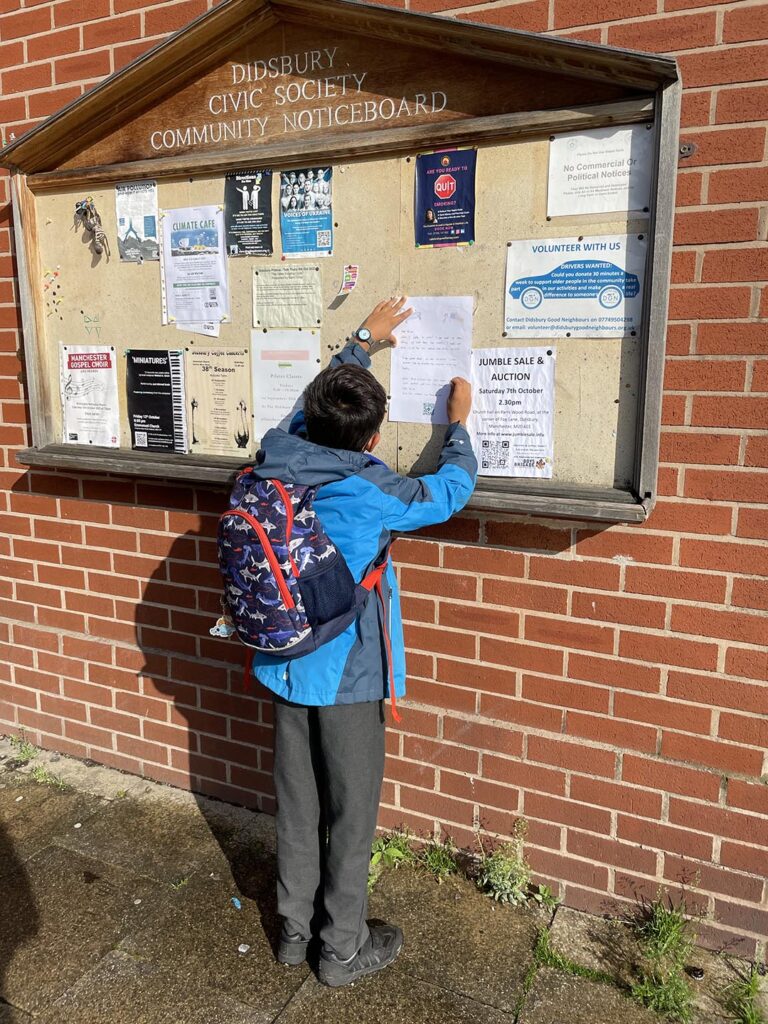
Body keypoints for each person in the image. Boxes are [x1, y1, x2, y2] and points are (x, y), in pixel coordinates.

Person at [250, 297, 477, 988]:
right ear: (374, 440)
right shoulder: (372, 488)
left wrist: (360, 343)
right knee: (350, 813)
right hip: (343, 671)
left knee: (297, 805)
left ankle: (293, 934)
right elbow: (449, 492)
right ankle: (341, 951)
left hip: (281, 660)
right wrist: (460, 427)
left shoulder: (279, 450)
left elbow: (309, 405)